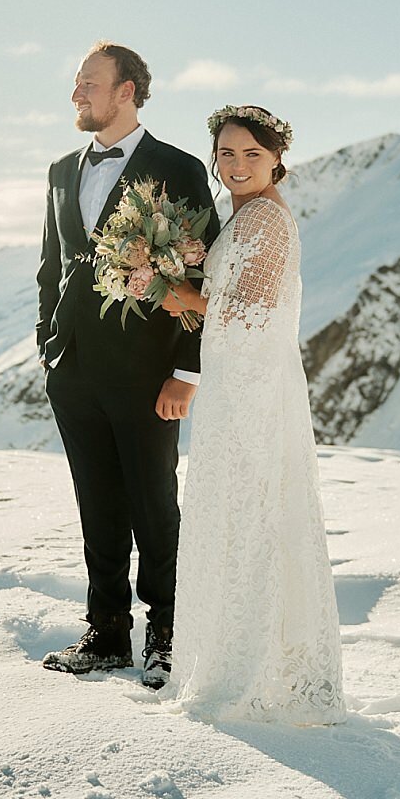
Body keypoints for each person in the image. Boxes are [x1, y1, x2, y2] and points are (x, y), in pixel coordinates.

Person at [36, 41, 220, 688]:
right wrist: (49, 346)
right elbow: (52, 267)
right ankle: (107, 630)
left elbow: (207, 273)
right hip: (75, 369)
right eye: (76, 83)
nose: (76, 94)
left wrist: (187, 370)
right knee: (98, 502)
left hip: (149, 372)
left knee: (153, 503)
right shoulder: (62, 170)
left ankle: (170, 631)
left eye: (88, 82)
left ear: (127, 91)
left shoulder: (178, 167)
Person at [156, 104, 346, 724]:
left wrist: (178, 294)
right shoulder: (240, 217)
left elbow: (251, 314)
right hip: (236, 386)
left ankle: (255, 668)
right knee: (235, 511)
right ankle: (227, 653)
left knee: (253, 510)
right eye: (228, 154)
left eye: (252, 155)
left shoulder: (265, 220)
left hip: (254, 392)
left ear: (276, 161)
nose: (238, 166)